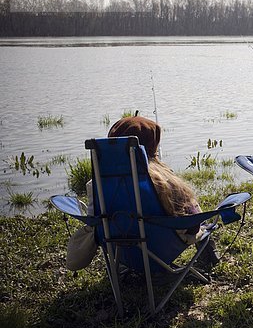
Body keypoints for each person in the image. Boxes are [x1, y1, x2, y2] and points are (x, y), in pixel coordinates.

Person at [66, 116, 218, 271]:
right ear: (151, 146)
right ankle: (208, 256)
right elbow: (192, 226)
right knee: (194, 211)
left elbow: (95, 223)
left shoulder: (96, 184)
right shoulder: (164, 182)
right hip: (161, 247)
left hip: (121, 249)